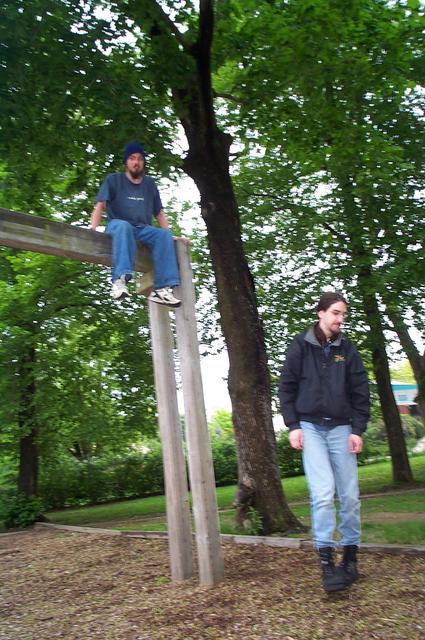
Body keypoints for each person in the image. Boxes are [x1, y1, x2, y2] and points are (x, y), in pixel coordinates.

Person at [278, 292, 370, 593]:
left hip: (342, 428)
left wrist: (357, 429)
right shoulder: (300, 345)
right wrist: (293, 425)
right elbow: (286, 387)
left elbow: (360, 391)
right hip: (311, 428)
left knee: (350, 496)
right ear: (320, 313)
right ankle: (327, 563)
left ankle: (350, 560)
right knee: (322, 494)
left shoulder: (347, 349)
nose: (340, 319)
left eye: (343, 314)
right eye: (335, 313)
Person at [90, 141, 184, 308]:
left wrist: (169, 234)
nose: (136, 162)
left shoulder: (149, 184)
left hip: (142, 229)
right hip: (118, 226)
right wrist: (93, 228)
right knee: (124, 226)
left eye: (140, 159)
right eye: (132, 158)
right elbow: (100, 205)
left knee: (163, 235)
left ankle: (162, 289)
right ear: (126, 162)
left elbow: (159, 212)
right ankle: (120, 281)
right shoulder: (114, 180)